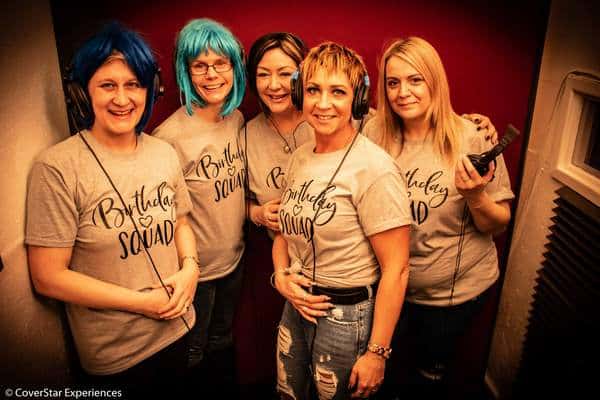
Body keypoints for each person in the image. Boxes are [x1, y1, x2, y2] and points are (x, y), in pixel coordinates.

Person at [25, 22, 198, 387]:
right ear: (82, 94)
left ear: (151, 90)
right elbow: (48, 277)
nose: (122, 99)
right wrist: (143, 303)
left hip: (180, 330)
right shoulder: (56, 168)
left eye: (133, 84)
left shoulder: (164, 151)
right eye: (108, 85)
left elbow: (181, 221)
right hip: (117, 357)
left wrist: (191, 269)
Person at [364, 36, 514, 393]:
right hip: (388, 289)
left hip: (452, 298)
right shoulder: (373, 133)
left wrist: (476, 195)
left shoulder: (473, 136)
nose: (403, 92)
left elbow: (499, 222)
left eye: (415, 80)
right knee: (383, 373)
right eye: (393, 82)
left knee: (426, 377)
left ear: (435, 80)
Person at [245, 33, 497, 235]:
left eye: (285, 74)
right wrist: (258, 215)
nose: (274, 85)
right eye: (263, 74)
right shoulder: (248, 134)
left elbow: (415, 114)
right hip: (299, 263)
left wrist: (467, 125)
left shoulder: (363, 122)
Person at [271, 42, 412, 400]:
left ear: (358, 98)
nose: (322, 103)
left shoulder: (374, 168)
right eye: (314, 90)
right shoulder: (301, 158)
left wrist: (377, 353)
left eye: (337, 92)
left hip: (346, 318)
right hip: (295, 305)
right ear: (300, 93)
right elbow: (284, 235)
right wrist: (282, 278)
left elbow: (397, 269)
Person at [152, 18, 246, 390]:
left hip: (234, 262)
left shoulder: (237, 119)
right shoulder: (168, 138)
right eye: (199, 65)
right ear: (185, 72)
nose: (211, 74)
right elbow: (172, 219)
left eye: (220, 63)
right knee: (192, 350)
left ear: (234, 68)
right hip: (197, 274)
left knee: (223, 339)